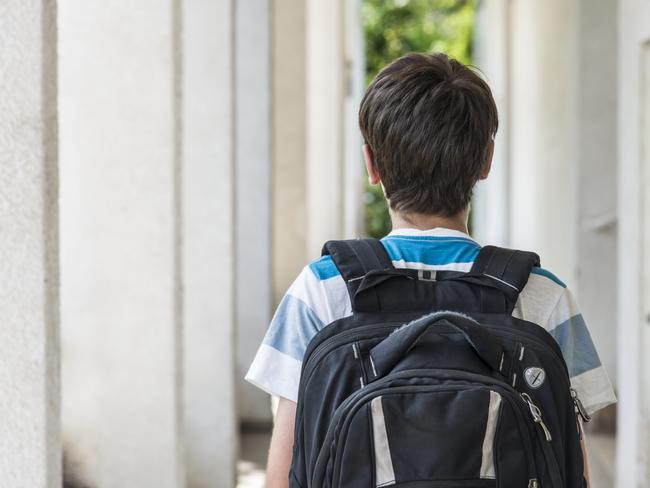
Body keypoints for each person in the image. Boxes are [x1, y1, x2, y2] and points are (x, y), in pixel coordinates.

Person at [245, 52, 616, 488]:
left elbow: (284, 472)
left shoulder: (320, 289)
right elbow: (573, 468)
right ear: (486, 160)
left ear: (371, 165)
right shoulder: (542, 294)